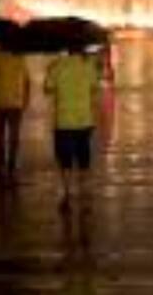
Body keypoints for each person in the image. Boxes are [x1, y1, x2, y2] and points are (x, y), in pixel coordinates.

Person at [44, 45, 99, 213]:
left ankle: (67, 192)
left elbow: (47, 89)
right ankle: (83, 193)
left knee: (65, 160)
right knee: (84, 158)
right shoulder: (88, 66)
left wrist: (50, 70)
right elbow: (94, 89)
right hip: (84, 120)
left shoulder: (59, 65)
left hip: (64, 121)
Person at [0, 46, 31, 185]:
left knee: (1, 136)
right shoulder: (20, 59)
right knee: (13, 137)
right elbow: (27, 81)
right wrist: (26, 99)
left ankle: (2, 165)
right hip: (14, 103)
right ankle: (11, 165)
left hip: (1, 103)